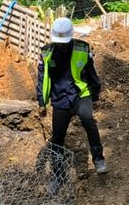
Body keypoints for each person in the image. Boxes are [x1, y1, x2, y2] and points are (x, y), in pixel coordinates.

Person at [38, 17, 107, 178]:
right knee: (58, 137)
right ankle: (58, 175)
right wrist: (42, 102)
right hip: (60, 98)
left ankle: (99, 159)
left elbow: (91, 73)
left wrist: (95, 96)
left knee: (88, 120)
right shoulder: (47, 52)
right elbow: (42, 78)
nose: (61, 44)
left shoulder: (82, 49)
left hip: (80, 95)